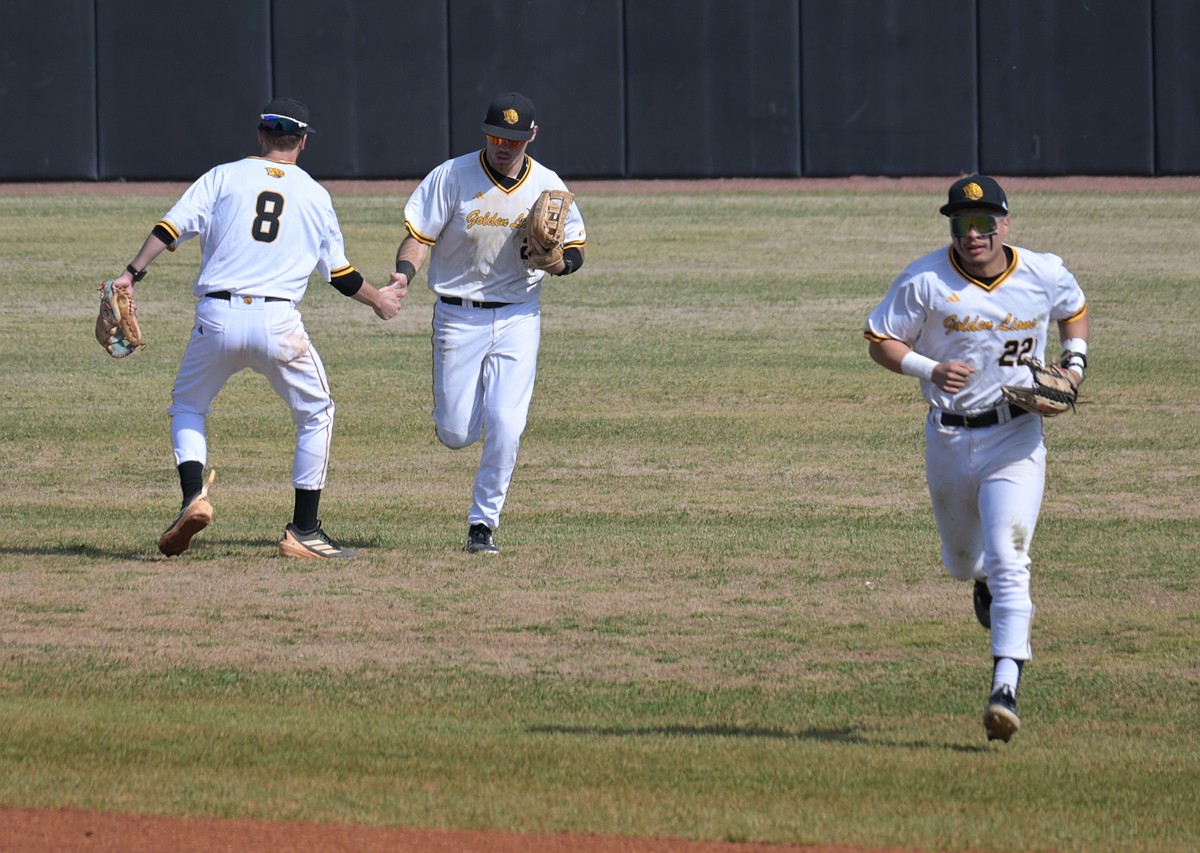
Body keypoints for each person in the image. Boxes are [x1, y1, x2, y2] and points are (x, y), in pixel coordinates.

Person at [113, 97, 406, 559]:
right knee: (316, 413)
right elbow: (339, 274)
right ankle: (304, 530)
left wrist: (131, 273)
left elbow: (170, 228)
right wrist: (380, 301)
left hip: (216, 318)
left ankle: (193, 497)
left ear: (260, 135)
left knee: (188, 407)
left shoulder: (223, 176)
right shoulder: (314, 194)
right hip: (277, 324)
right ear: (303, 142)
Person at [863, 175, 1089, 743]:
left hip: (1017, 438)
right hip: (948, 437)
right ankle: (979, 578)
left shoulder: (1042, 272)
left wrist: (1075, 363)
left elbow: (1074, 308)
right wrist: (928, 368)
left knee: (1012, 559)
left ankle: (1005, 686)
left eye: (985, 223)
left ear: (1004, 224)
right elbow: (880, 338)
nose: (974, 235)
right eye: (963, 224)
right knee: (964, 562)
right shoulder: (924, 281)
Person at [390, 92, 586, 554]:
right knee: (457, 433)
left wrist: (558, 263)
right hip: (458, 316)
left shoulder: (547, 184)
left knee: (507, 424)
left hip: (519, 314)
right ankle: (463, 414)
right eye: (497, 137)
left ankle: (483, 525)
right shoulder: (452, 176)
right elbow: (419, 237)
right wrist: (403, 274)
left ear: (531, 137)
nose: (504, 146)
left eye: (513, 139)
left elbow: (576, 247)